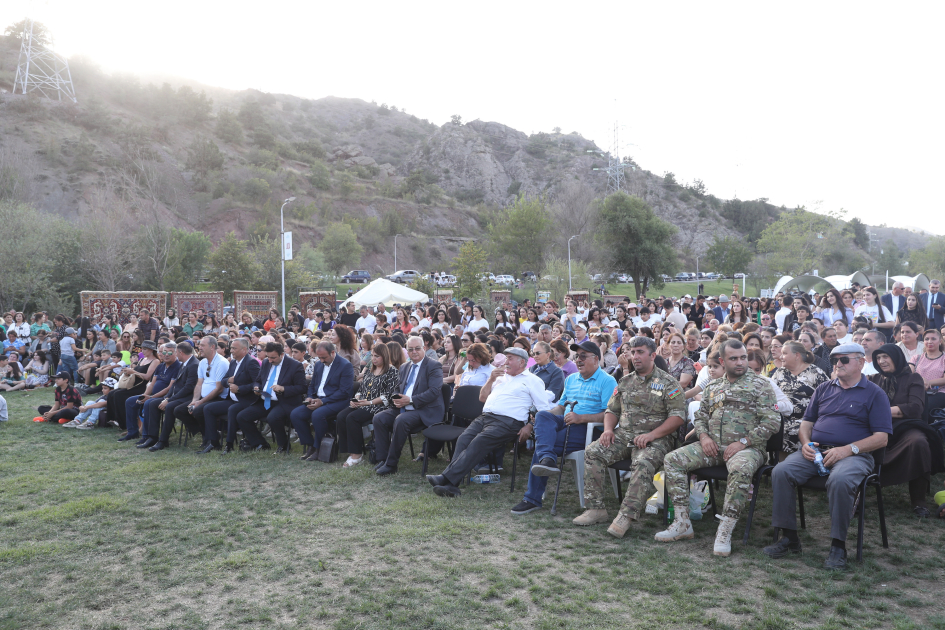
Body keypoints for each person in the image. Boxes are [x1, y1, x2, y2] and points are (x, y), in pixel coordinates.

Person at [764, 343, 892, 570]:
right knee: (781, 471)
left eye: (844, 360)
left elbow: (881, 438)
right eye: (835, 360)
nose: (837, 364)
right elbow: (807, 423)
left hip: (855, 455)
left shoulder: (875, 393)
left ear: (861, 362)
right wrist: (805, 444)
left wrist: (848, 449)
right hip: (818, 451)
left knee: (840, 480)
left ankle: (838, 546)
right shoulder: (824, 388)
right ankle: (789, 538)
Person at [655, 340, 779, 557]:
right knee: (673, 459)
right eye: (734, 358)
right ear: (722, 361)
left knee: (740, 468)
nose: (740, 362)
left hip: (747, 449)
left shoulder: (761, 385)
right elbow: (700, 416)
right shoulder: (713, 386)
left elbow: (772, 422)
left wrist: (743, 442)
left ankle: (725, 529)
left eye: (742, 357)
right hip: (712, 447)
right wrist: (703, 437)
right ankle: (682, 522)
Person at [561, 337, 686, 536]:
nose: (634, 356)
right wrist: (609, 430)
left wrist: (652, 435)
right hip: (623, 435)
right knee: (593, 452)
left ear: (653, 355)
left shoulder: (668, 383)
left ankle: (626, 515)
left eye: (640, 352)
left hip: (656, 439)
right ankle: (595, 508)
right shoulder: (625, 382)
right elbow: (612, 410)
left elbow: (678, 417)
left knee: (643, 463)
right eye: (633, 352)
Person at [426, 347, 553, 497]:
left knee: (478, 442)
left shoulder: (533, 381)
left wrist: (530, 426)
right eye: (506, 358)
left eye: (510, 358)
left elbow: (544, 410)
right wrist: (491, 379)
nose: (506, 362)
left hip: (509, 422)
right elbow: (482, 398)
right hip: (486, 417)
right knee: (463, 439)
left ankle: (446, 478)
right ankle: (452, 485)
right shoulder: (500, 377)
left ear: (522, 362)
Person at [511, 340, 617, 514]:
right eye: (576, 357)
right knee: (543, 415)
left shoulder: (607, 381)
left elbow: (610, 413)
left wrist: (581, 417)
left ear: (596, 359)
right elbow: (561, 407)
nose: (579, 360)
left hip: (589, 428)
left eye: (583, 356)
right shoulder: (571, 379)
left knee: (543, 447)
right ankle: (548, 459)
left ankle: (532, 498)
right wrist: (542, 419)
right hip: (567, 420)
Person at [870, 344, 943, 516]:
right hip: (876, 427)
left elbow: (915, 408)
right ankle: (855, 493)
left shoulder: (913, 378)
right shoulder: (873, 379)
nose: (881, 361)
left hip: (905, 427)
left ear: (897, 357)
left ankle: (918, 501)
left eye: (885, 357)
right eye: (878, 358)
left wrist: (883, 411)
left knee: (918, 442)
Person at [372, 336, 445, 475]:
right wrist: (396, 398)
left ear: (424, 348)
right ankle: (382, 459)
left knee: (401, 420)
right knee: (379, 418)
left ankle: (391, 465)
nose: (414, 352)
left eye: (417, 348)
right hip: (404, 407)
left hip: (424, 410)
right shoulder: (405, 366)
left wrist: (410, 400)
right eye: (410, 349)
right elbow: (398, 388)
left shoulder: (434, 365)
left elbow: (434, 392)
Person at [236, 342, 307, 453]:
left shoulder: (295, 365)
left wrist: (283, 388)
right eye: (268, 357)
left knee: (273, 418)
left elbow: (302, 387)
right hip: (266, 399)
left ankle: (283, 446)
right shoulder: (265, 362)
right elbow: (258, 380)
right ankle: (260, 443)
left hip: (284, 401)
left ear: (282, 354)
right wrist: (256, 387)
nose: (270, 360)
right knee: (242, 416)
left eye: (273, 358)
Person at [336, 343, 399, 468]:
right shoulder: (371, 368)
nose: (373, 359)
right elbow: (362, 387)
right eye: (372, 356)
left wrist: (369, 402)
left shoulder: (392, 371)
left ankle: (357, 454)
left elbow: (389, 395)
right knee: (341, 416)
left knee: (352, 418)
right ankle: (349, 449)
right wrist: (357, 398)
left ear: (385, 356)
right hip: (364, 403)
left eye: (377, 356)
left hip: (379, 406)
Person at [291, 341, 355, 461]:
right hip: (318, 399)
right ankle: (311, 446)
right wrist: (309, 397)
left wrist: (323, 402)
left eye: (324, 357)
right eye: (319, 357)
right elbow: (312, 385)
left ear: (332, 352)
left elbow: (344, 391)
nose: (321, 360)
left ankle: (319, 448)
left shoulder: (345, 365)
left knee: (317, 414)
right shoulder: (318, 364)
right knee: (296, 414)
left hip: (338, 401)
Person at [200, 337, 260, 454]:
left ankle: (229, 444)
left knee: (232, 410)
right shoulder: (232, 362)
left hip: (246, 400)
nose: (231, 350)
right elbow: (223, 381)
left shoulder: (251, 362)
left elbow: (257, 382)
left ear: (244, 350)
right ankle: (213, 442)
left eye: (234, 348)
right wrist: (229, 381)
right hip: (232, 399)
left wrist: (240, 389)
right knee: (208, 408)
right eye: (231, 348)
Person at [170, 335, 230, 449]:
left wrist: (200, 402)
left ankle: (210, 439)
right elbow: (199, 384)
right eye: (199, 345)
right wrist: (194, 401)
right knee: (179, 410)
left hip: (218, 398)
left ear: (212, 347)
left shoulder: (221, 362)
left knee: (198, 411)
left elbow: (219, 389)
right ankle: (206, 434)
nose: (199, 347)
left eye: (202, 345)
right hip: (203, 397)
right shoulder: (202, 362)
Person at [770, 341, 829, 454]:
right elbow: (770, 394)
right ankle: (774, 464)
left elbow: (828, 398)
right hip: (781, 417)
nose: (781, 357)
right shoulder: (780, 372)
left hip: (806, 420)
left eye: (785, 353)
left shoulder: (815, 373)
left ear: (797, 355)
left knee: (791, 430)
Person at [126, 343, 182, 449]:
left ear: (176, 353)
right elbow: (152, 383)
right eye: (164, 352)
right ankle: (132, 432)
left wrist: (151, 397)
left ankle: (149, 436)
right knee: (130, 401)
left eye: (170, 352)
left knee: (148, 403)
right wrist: (145, 395)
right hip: (152, 395)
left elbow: (170, 388)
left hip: (165, 397)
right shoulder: (160, 365)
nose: (166, 354)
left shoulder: (177, 367)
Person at [148, 342, 200, 451]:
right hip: (177, 396)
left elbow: (189, 388)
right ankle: (152, 437)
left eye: (175, 352)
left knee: (170, 406)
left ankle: (163, 441)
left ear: (180, 352)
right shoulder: (184, 363)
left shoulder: (194, 364)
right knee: (153, 403)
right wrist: (167, 397)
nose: (175, 354)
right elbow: (175, 384)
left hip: (188, 397)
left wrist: (169, 400)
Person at [913, 328, 945, 421]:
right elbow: (909, 374)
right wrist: (921, 382)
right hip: (918, 391)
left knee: (924, 407)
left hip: (939, 392)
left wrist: (927, 382)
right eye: (926, 339)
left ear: (940, 341)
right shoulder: (916, 358)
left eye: (933, 339)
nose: (929, 341)